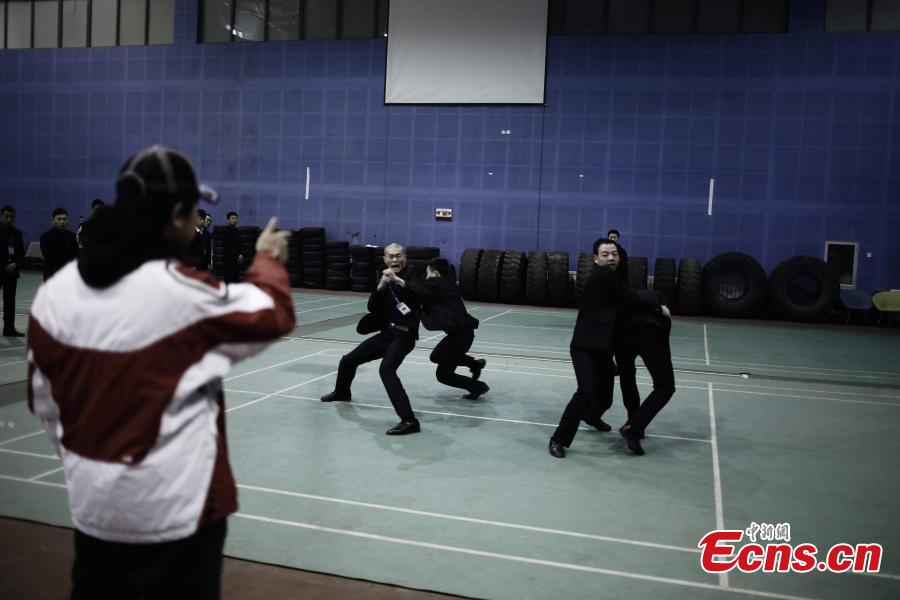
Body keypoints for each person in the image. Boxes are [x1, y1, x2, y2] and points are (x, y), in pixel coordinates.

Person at [26, 145, 295, 599]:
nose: (196, 223)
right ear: (176, 215)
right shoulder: (182, 296)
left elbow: (45, 403)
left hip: (94, 511)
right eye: (193, 212)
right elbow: (270, 313)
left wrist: (93, 469)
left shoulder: (54, 295)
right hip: (178, 516)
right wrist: (267, 258)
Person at [549, 238, 669, 459]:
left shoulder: (613, 279)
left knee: (605, 398)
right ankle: (558, 439)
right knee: (585, 391)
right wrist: (658, 307)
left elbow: (625, 300)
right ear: (596, 259)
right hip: (584, 347)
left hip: (602, 349)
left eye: (614, 253)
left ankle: (592, 417)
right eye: (605, 254)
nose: (611, 257)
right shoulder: (603, 277)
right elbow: (631, 297)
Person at [320, 243, 423, 435]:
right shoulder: (383, 277)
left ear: (405, 257)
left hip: (404, 335)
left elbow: (420, 294)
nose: (394, 260)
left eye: (398, 256)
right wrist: (382, 285)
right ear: (384, 259)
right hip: (387, 334)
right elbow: (373, 307)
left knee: (386, 370)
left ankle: (410, 421)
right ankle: (342, 391)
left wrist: (398, 280)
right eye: (390, 257)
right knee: (348, 360)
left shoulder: (414, 273)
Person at [614, 288, 676, 455]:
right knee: (665, 387)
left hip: (622, 336)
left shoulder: (627, 299)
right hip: (651, 333)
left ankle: (633, 423)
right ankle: (633, 427)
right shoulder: (663, 303)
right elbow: (665, 333)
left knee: (627, 377)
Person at [421, 257, 488, 399]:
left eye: (428, 273)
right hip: (458, 334)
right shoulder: (447, 284)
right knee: (436, 356)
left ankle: (478, 387)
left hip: (461, 336)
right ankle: (474, 364)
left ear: (435, 273)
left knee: (443, 375)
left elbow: (418, 291)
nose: (427, 277)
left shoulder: (437, 284)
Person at [0, 205, 25, 337]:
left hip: (11, 272)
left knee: (10, 302)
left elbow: (21, 251)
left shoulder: (17, 233)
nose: (9, 219)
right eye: (7, 216)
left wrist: (15, 263)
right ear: (1, 216)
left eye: (12, 217)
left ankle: (9, 329)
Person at [40, 208, 79, 281]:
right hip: (51, 275)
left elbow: (75, 255)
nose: (62, 221)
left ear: (67, 220)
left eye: (64, 219)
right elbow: (47, 256)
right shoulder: (45, 237)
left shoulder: (72, 236)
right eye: (59, 219)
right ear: (53, 221)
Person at [222, 211, 244, 283]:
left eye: (236, 218)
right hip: (228, 262)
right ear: (228, 220)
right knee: (228, 282)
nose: (235, 220)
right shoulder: (225, 232)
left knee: (236, 281)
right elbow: (227, 247)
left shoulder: (238, 232)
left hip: (237, 263)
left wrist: (241, 254)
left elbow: (240, 245)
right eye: (233, 218)